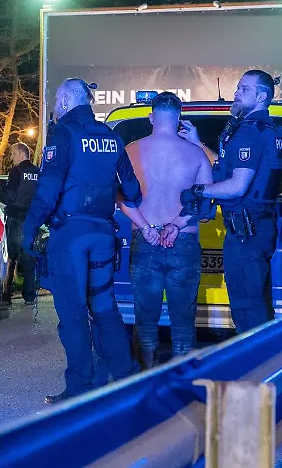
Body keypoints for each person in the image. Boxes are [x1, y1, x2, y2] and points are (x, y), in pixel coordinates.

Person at [22, 79, 142, 404]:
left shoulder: (64, 134)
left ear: (64, 101)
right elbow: (133, 191)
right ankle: (127, 379)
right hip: (103, 234)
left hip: (71, 236)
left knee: (73, 313)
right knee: (105, 309)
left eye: (56, 102)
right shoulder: (111, 137)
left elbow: (48, 191)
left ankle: (80, 390)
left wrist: (29, 228)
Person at [178, 70, 282, 334]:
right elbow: (227, 167)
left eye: (244, 89)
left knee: (246, 306)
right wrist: (198, 144)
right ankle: (264, 354)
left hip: (246, 231)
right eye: (238, 88)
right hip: (256, 227)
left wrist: (199, 190)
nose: (237, 93)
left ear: (261, 97)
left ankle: (256, 357)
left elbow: (237, 186)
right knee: (255, 301)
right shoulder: (266, 129)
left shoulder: (250, 132)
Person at [119, 92, 212, 368]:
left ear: (151, 117)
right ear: (178, 118)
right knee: (183, 321)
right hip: (183, 241)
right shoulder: (196, 154)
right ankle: (182, 380)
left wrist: (147, 228)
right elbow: (205, 205)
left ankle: (145, 378)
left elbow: (121, 198)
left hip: (144, 241)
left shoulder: (131, 151)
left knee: (145, 320)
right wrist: (177, 224)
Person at [0, 142, 39, 305]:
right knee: (29, 258)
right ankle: (30, 296)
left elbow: (9, 197)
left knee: (11, 257)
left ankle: (6, 293)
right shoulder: (38, 172)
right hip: (32, 219)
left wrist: (3, 189)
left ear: (22, 154)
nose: (11, 157)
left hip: (16, 219)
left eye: (13, 154)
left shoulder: (16, 172)